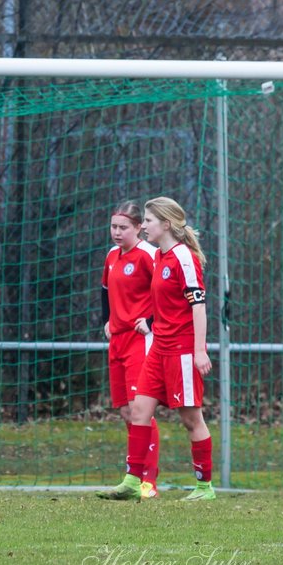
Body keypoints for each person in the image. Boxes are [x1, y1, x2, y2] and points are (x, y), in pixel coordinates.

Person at [99, 197, 215, 501]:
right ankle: (133, 481)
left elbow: (198, 307)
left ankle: (204, 486)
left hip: (182, 351)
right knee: (138, 411)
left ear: (166, 224)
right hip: (159, 349)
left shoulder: (183, 258)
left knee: (191, 420)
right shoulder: (160, 257)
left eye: (148, 221)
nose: (144, 226)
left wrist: (199, 350)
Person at [98, 201, 161, 500]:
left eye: (124, 227)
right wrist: (106, 320)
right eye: (114, 227)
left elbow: (166, 290)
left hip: (140, 341)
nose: (117, 232)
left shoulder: (150, 255)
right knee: (125, 411)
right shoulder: (111, 256)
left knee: (140, 409)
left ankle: (148, 480)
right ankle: (134, 474)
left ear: (138, 228)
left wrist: (150, 320)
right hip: (117, 340)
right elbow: (105, 291)